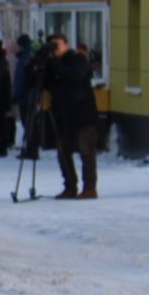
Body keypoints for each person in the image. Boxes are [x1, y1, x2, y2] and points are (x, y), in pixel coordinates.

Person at [45, 33, 98, 200]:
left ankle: (89, 188)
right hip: (63, 115)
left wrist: (55, 66)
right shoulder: (52, 64)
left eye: (57, 45)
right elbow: (44, 83)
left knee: (86, 152)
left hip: (83, 114)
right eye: (51, 46)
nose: (54, 49)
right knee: (63, 153)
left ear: (66, 45)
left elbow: (75, 76)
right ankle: (70, 186)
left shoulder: (77, 59)